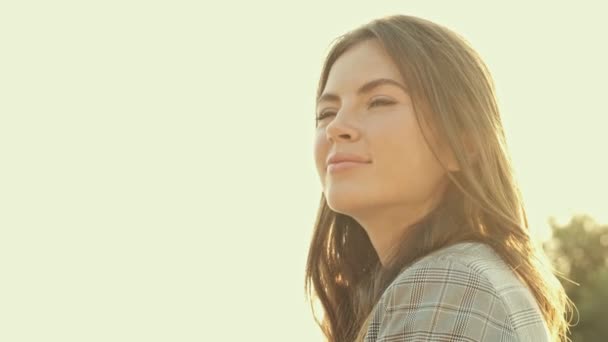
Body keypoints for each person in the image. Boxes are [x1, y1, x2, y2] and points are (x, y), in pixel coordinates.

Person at [304, 15, 573, 342]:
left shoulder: (448, 286)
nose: (336, 127)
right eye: (326, 113)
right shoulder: (462, 278)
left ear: (464, 143)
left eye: (379, 101)